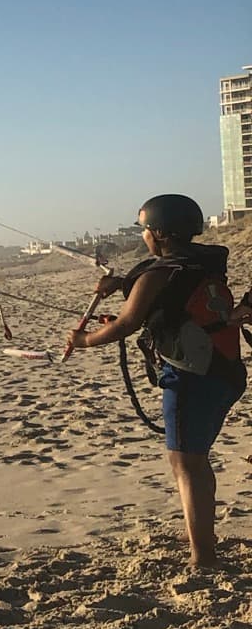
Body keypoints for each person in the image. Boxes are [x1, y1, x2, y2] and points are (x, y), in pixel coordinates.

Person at [66, 194, 247, 571]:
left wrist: (83, 342)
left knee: (186, 463)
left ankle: (204, 558)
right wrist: (119, 285)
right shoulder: (202, 263)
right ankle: (202, 534)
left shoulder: (158, 273)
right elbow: (162, 288)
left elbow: (125, 324)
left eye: (146, 228)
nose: (144, 235)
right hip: (225, 370)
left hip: (192, 378)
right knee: (195, 460)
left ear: (160, 232)